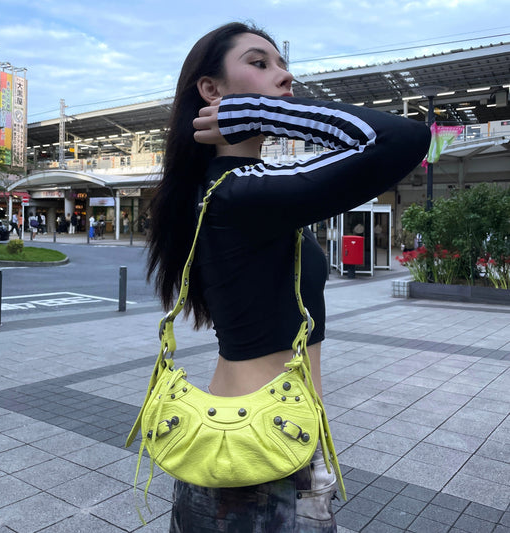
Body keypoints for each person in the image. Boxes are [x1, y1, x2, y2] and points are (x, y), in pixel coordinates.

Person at [145, 22, 430, 532]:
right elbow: (402, 138)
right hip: (258, 457)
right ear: (211, 90)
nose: (284, 76)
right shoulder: (240, 190)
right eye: (259, 64)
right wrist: (260, 113)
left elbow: (372, 148)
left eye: (282, 65)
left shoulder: (235, 186)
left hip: (266, 438)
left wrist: (257, 110)